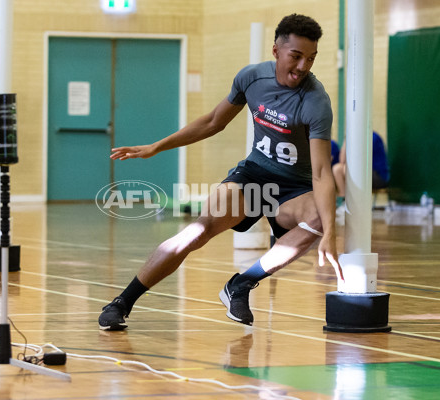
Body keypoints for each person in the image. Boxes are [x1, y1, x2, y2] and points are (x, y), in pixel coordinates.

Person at [98, 14, 344, 331]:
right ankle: (121, 302)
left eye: (310, 59)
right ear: (276, 51)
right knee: (196, 232)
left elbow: (323, 172)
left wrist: (331, 236)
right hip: (253, 178)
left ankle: (241, 285)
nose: (302, 67)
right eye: (295, 56)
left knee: (319, 219)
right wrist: (157, 146)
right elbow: (213, 122)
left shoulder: (315, 101)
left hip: (293, 189)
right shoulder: (252, 79)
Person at [332, 131, 389, 204]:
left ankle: (354, 203)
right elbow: (342, 161)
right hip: (362, 173)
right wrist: (346, 142)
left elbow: (359, 162)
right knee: (337, 169)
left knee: (348, 169)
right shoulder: (353, 137)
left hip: (378, 176)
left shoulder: (371, 137)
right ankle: (345, 201)